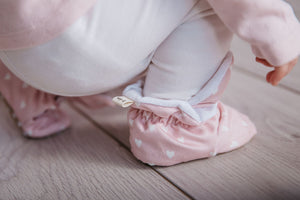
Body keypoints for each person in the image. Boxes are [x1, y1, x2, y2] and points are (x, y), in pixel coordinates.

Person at [0, 0, 299, 166]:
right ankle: (174, 129)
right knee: (212, 5)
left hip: (14, 50)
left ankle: (34, 96)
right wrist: (277, 32)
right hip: (84, 41)